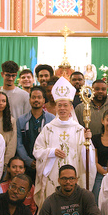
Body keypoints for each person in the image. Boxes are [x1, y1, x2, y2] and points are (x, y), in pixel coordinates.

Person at [33, 77, 93, 207]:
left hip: (73, 172)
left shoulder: (79, 130)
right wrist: (51, 152)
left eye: (65, 105)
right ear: (55, 107)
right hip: (53, 174)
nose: (62, 108)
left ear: (71, 107)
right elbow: (37, 150)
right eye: (59, 105)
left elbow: (87, 157)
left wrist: (87, 140)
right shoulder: (48, 128)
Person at [16, 86, 55, 179]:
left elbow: (53, 141)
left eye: (39, 97)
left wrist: (43, 158)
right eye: (33, 97)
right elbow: (19, 143)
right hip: (26, 163)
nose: (36, 100)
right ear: (29, 100)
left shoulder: (51, 119)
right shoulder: (21, 120)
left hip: (46, 162)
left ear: (43, 100)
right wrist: (28, 160)